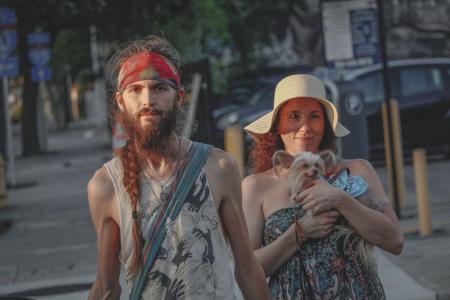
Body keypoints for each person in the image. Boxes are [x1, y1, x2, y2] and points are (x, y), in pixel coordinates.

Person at [87, 35, 270, 300]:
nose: (148, 100)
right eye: (135, 90)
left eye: (159, 88)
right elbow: (106, 287)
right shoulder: (105, 185)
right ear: (120, 101)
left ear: (179, 96)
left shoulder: (218, 167)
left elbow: (245, 265)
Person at [241, 74, 404, 299]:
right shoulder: (256, 186)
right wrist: (300, 231)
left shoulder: (357, 171)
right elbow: (248, 270)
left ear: (325, 124)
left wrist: (340, 199)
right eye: (294, 116)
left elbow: (395, 241)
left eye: (314, 116)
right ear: (278, 124)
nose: (305, 127)